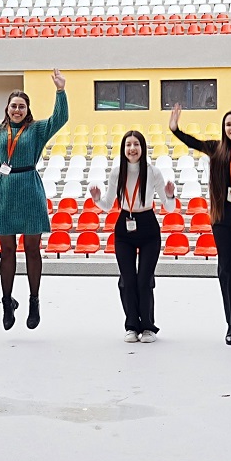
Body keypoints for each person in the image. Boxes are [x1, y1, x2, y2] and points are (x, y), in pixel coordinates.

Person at [0, 69, 68, 331]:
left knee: (32, 249)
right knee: (6, 251)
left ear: (27, 110)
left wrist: (60, 91)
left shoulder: (36, 129)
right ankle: (7, 302)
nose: (17, 110)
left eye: (21, 106)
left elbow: (60, 118)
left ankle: (34, 300)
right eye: (13, 106)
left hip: (30, 191)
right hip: (5, 194)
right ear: (7, 109)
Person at [171, 96, 231, 346]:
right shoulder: (217, 149)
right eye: (228, 124)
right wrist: (175, 129)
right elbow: (193, 142)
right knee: (226, 269)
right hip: (223, 214)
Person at [90, 130, 177, 343]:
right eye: (128, 144)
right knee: (127, 280)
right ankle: (131, 326)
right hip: (124, 228)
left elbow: (170, 207)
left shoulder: (153, 172)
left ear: (142, 147)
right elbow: (108, 204)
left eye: (136, 144)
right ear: (123, 149)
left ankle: (148, 327)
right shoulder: (117, 172)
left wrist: (170, 195)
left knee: (144, 280)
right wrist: (97, 199)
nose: (132, 149)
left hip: (148, 226)